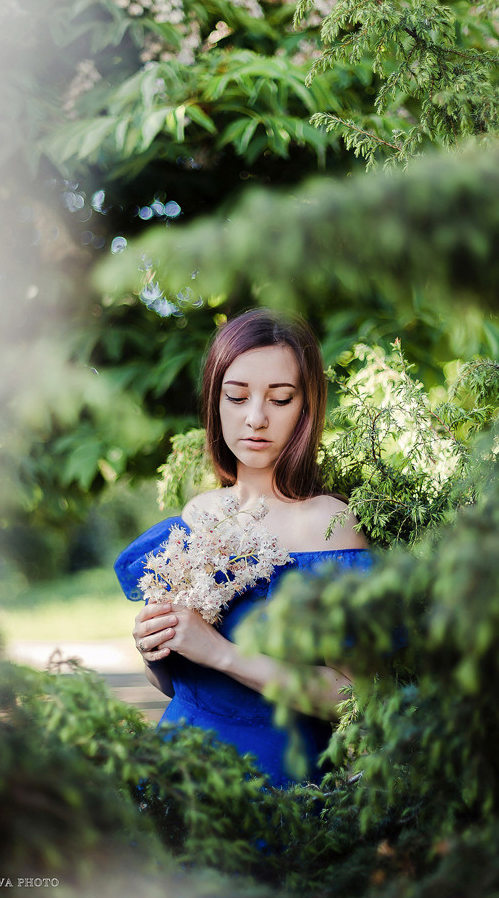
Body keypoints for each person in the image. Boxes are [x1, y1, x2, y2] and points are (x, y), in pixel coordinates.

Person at [114, 309, 372, 787]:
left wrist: (221, 652)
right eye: (236, 397)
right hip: (180, 762)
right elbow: (175, 685)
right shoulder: (200, 514)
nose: (255, 418)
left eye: (280, 398)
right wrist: (155, 647)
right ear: (216, 403)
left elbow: (353, 696)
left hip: (277, 776)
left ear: (306, 407)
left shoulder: (328, 527)